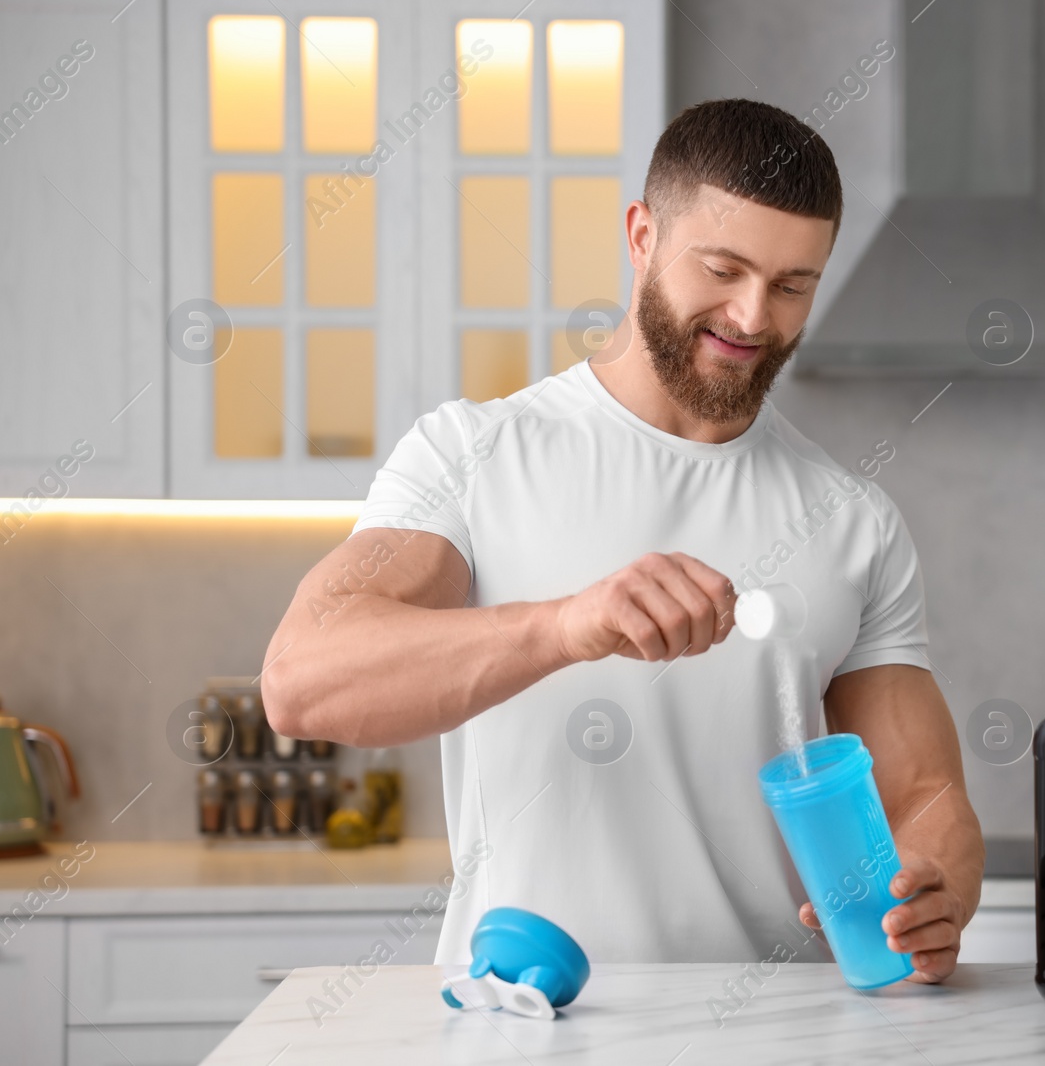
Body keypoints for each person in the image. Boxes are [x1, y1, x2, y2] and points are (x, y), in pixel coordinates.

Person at [263, 98, 984, 983]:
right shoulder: (473, 454)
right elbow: (303, 681)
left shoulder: (851, 519)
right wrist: (566, 626)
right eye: (723, 267)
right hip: (529, 1028)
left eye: (794, 285)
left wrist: (935, 886)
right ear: (643, 236)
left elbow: (924, 795)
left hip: (780, 1032)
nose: (754, 315)